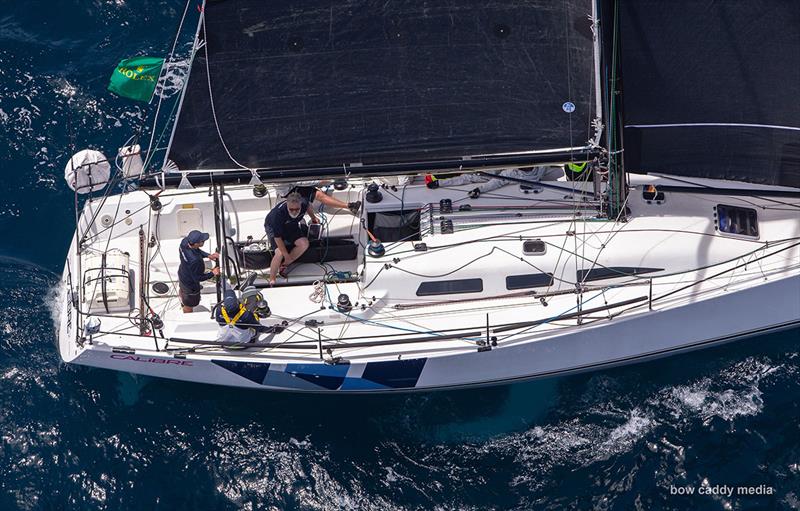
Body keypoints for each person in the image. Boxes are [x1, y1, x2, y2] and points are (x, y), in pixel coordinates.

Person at [264, 192, 317, 285]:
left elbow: (307, 206)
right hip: (274, 227)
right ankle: (272, 278)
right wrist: (286, 255)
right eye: (291, 209)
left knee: (304, 243)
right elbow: (277, 238)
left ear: (301, 205)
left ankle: (285, 264)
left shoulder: (304, 203)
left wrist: (313, 217)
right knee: (279, 253)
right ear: (287, 205)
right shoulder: (278, 214)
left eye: (297, 209)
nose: (294, 212)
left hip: (291, 225)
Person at [426, 166, 558, 198]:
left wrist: (479, 190)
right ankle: (439, 182)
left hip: (493, 174)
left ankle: (439, 182)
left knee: (469, 177)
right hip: (496, 173)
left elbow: (495, 183)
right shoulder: (542, 167)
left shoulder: (510, 173)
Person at [177, 230, 219, 313]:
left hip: (182, 274)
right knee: (190, 303)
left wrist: (208, 255)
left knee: (182, 289)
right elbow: (197, 278)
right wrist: (212, 273)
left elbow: (197, 251)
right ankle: (187, 311)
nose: (204, 241)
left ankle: (183, 298)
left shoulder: (184, 242)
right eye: (202, 241)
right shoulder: (194, 261)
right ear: (195, 243)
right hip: (190, 285)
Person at [275, 181, 361, 215]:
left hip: (293, 185)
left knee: (319, 194)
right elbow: (302, 182)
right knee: (319, 195)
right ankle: (349, 206)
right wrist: (323, 182)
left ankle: (349, 206)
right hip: (288, 191)